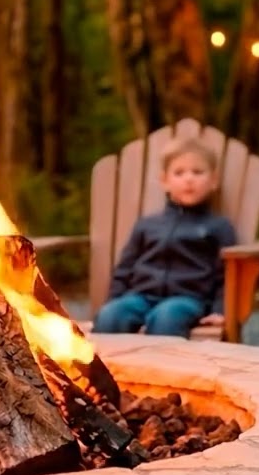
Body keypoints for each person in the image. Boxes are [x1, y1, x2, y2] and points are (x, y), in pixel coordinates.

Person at [92, 138, 237, 337]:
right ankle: (101, 368)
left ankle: (159, 368)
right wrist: (115, 299)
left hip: (188, 300)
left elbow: (227, 276)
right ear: (165, 181)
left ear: (214, 181)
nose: (189, 179)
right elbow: (125, 268)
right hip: (141, 296)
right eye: (179, 173)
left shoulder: (218, 227)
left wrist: (221, 310)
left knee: (166, 316)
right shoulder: (148, 225)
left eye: (198, 172)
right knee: (112, 314)